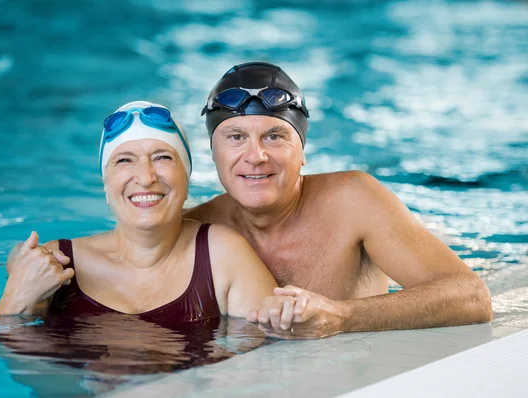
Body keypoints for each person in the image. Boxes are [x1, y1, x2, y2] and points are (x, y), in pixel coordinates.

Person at [184, 62, 493, 338]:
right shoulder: (195, 230)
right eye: (236, 137)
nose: (256, 156)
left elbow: (471, 296)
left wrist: (341, 316)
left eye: (275, 136)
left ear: (302, 152)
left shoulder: (353, 201)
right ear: (214, 153)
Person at [0, 101, 277, 323]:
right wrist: (15, 299)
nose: (145, 176)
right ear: (106, 187)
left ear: (186, 179)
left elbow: (277, 359)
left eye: (162, 157)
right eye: (124, 160)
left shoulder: (223, 255)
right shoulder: (57, 266)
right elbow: (13, 363)